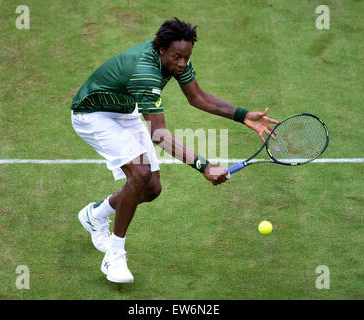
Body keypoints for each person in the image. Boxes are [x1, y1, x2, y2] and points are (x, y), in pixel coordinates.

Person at [71, 18, 278, 283]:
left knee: (151, 189)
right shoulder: (145, 72)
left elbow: (198, 98)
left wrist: (244, 115)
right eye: (176, 57)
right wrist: (204, 166)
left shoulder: (178, 59)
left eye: (187, 57)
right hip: (92, 115)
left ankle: (95, 214)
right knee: (140, 173)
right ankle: (114, 254)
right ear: (161, 51)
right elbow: (159, 134)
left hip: (122, 109)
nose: (182, 63)